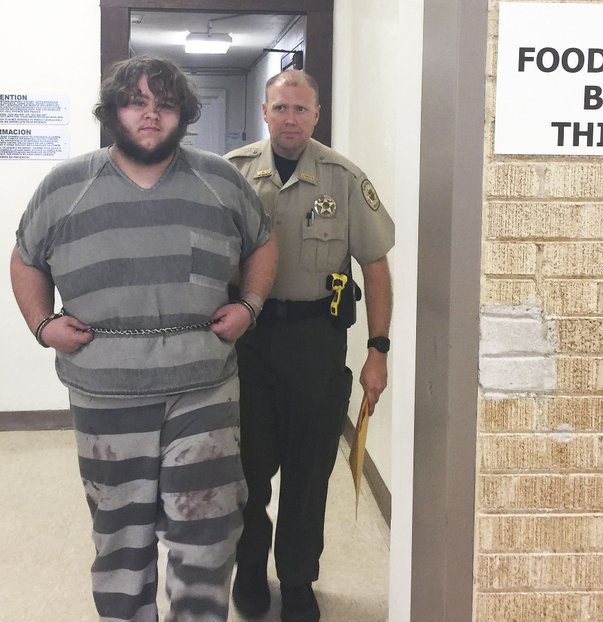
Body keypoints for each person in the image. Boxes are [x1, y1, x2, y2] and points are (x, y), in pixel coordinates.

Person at [10, 55, 278, 621]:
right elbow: (26, 259)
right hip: (105, 395)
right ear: (112, 111)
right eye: (136, 101)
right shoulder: (66, 186)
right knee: (120, 536)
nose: (151, 114)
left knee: (207, 531)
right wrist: (41, 325)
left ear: (183, 113)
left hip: (203, 387)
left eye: (165, 102)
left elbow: (263, 243)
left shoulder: (221, 179)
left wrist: (250, 305)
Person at [224, 69, 394, 621]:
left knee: (308, 469)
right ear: (264, 111)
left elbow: (375, 265)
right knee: (246, 469)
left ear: (316, 114)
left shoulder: (343, 179)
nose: (290, 118)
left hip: (317, 344)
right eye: (280, 108)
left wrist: (378, 349)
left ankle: (297, 580)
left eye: (301, 109)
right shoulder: (233, 174)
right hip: (248, 347)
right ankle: (249, 572)